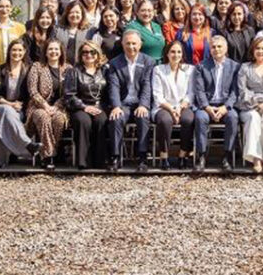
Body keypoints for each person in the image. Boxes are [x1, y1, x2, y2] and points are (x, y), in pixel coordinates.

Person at [104, 30, 154, 173]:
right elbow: (113, 86)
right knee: (115, 118)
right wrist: (116, 106)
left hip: (140, 103)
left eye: (134, 43)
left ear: (140, 44)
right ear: (122, 44)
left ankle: (143, 157)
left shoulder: (148, 61)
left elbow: (147, 85)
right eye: (128, 43)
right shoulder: (114, 63)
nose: (131, 47)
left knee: (143, 117)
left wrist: (143, 105)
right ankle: (115, 157)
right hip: (123, 103)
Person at [0, 39, 40, 169]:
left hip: (19, 110)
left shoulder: (29, 70)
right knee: (6, 111)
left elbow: (32, 92)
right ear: (9, 52)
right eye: (14, 50)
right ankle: (27, 143)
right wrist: (8, 104)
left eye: (19, 50)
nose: (16, 53)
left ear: (24, 52)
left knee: (5, 123)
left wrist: (21, 105)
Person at [191, 36, 240, 172]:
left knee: (233, 117)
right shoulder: (201, 66)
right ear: (209, 49)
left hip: (226, 105)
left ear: (226, 48)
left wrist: (226, 107)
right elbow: (199, 90)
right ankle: (201, 156)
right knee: (200, 118)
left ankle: (227, 156)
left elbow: (235, 91)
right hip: (207, 105)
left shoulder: (235, 66)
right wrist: (207, 107)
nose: (216, 49)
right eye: (213, 47)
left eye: (219, 46)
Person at [64, 41, 110, 170]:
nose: (88, 55)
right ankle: (83, 161)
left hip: (99, 106)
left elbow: (109, 93)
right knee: (83, 121)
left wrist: (103, 107)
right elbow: (69, 95)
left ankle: (100, 161)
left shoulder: (105, 70)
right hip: (79, 107)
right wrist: (84, 107)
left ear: (97, 54)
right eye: (85, 52)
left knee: (101, 120)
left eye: (92, 52)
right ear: (80, 55)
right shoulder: (73, 71)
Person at [26, 39, 70, 171]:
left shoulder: (68, 69)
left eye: (56, 49)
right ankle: (48, 156)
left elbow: (69, 92)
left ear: (61, 52)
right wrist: (45, 105)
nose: (53, 52)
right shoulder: (37, 66)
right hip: (38, 106)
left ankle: (49, 151)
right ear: (45, 52)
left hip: (60, 107)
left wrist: (56, 106)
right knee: (44, 118)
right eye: (50, 49)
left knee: (59, 120)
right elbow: (32, 90)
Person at [151, 40, 196, 170]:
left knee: (188, 119)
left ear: (182, 54)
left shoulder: (190, 69)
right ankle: (164, 157)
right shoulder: (158, 69)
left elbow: (191, 94)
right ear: (167, 53)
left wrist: (180, 108)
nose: (175, 55)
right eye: (172, 52)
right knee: (165, 120)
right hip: (163, 106)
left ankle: (183, 155)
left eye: (178, 52)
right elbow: (157, 95)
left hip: (183, 105)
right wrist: (172, 110)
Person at [237, 36, 263, 173]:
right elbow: (242, 91)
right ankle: (255, 158)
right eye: (258, 48)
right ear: (253, 50)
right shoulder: (245, 68)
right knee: (254, 117)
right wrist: (257, 103)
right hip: (248, 106)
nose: (260, 51)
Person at [53, 1, 92, 65]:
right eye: (71, 12)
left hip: (81, 67)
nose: (74, 15)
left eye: (77, 12)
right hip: (60, 66)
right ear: (67, 14)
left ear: (82, 14)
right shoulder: (57, 29)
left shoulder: (89, 30)